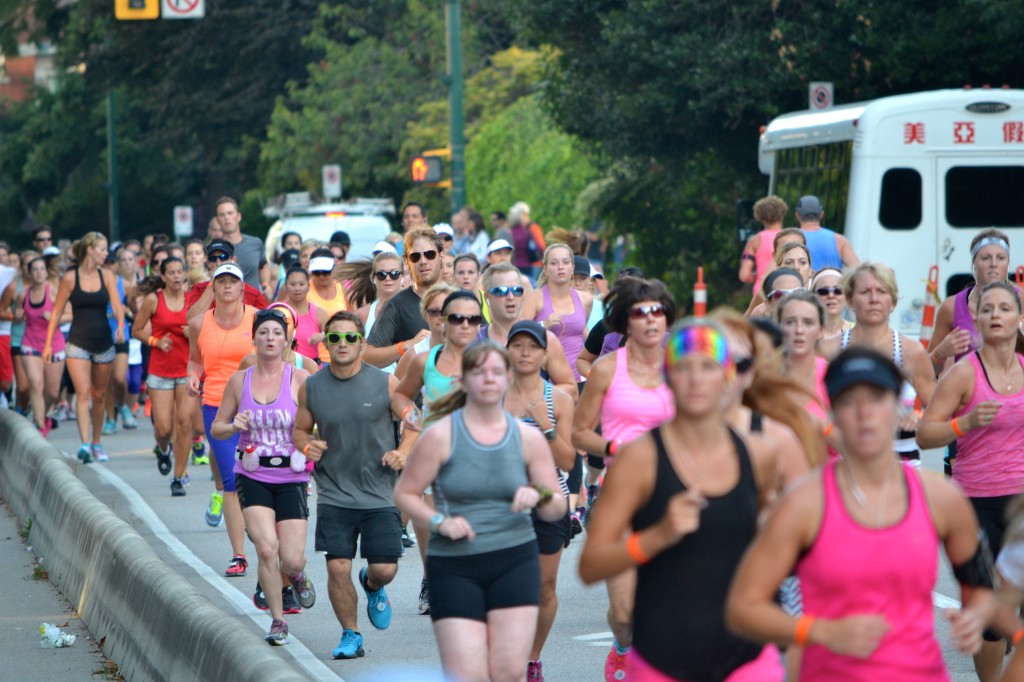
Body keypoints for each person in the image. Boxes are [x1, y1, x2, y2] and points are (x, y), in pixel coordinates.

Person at [726, 347, 995, 682]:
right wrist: (821, 632)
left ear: (896, 404)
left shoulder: (941, 498)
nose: (865, 412)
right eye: (850, 400)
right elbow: (742, 607)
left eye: (877, 397)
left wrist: (975, 617)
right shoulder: (803, 503)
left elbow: (981, 589)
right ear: (833, 411)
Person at [579, 319, 784, 682]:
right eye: (683, 367)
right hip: (664, 655)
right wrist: (658, 536)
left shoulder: (762, 453)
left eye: (708, 367)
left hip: (746, 654)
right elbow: (591, 565)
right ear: (667, 378)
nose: (696, 379)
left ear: (728, 376)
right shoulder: (639, 459)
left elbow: (797, 547)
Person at [394, 340, 565, 682]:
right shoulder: (440, 436)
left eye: (496, 372)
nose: (488, 379)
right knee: (467, 672)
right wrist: (440, 520)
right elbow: (406, 494)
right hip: (455, 565)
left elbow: (557, 502)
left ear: (507, 379)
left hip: (514, 560)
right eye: (479, 372)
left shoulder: (526, 438)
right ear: (463, 380)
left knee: (507, 671)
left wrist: (536, 494)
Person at [572, 276, 677, 680]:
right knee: (625, 612)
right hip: (622, 496)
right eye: (640, 312)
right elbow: (580, 433)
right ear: (624, 322)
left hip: (673, 493)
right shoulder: (605, 370)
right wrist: (616, 449)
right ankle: (621, 645)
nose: (651, 320)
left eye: (658, 312)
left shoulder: (681, 367)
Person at [918, 280, 1024, 681]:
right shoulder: (964, 374)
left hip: (1023, 502)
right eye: (988, 309)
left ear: (1019, 318)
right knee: (991, 616)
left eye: (1004, 308)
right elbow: (927, 433)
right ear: (977, 320)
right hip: (977, 504)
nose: (996, 315)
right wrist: (965, 424)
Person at [293, 311, 414, 659]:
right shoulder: (312, 386)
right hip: (334, 492)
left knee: (385, 569)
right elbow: (300, 429)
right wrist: (306, 445)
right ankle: (351, 634)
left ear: (362, 343)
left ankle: (372, 584)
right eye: (334, 338)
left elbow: (415, 421)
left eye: (349, 338)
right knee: (337, 566)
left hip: (380, 492)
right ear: (325, 344)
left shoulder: (385, 383)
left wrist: (404, 451)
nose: (342, 344)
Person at [211, 306, 314, 645]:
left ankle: (296, 574)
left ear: (287, 340)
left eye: (277, 333)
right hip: (252, 475)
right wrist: (232, 425)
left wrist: (315, 445)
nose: (270, 338)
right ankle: (278, 620)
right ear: (253, 338)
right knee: (267, 549)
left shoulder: (299, 379)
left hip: (293, 477)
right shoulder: (240, 380)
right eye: (264, 333)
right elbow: (217, 427)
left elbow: (320, 423)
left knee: (291, 557)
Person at [503, 320, 577, 681]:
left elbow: (567, 461)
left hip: (548, 503)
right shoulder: (492, 396)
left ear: (546, 354)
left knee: (544, 588)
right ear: (507, 352)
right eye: (517, 346)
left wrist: (544, 426)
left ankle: (531, 660)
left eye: (532, 346)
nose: (525, 353)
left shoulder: (559, 399)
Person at [823, 262, 935, 466]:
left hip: (902, 466)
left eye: (881, 291)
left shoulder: (912, 351)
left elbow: (937, 409)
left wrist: (918, 416)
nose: (873, 299)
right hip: (846, 464)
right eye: (865, 292)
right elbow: (814, 408)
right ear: (849, 300)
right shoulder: (828, 351)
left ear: (892, 302)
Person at [187, 263, 257, 573]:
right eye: (221, 281)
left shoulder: (258, 319)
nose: (227, 286)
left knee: (258, 478)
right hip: (216, 406)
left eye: (233, 281)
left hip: (256, 406)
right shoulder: (200, 322)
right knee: (231, 478)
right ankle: (239, 555)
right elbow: (194, 360)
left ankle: (264, 537)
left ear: (243, 288)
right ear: (212, 288)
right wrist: (192, 376)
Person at [43, 232, 125, 464]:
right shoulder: (70, 278)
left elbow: (117, 305)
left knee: (99, 396)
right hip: (78, 340)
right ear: (90, 249)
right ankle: (85, 444)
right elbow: (57, 311)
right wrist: (48, 343)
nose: (105, 253)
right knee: (83, 394)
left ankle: (97, 441)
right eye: (101, 249)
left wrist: (120, 324)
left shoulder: (107, 275)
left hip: (103, 340)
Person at [133, 257, 194, 494]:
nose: (177, 277)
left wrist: (195, 330)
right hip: (160, 371)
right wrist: (155, 341)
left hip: (186, 370)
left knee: (185, 423)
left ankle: (178, 477)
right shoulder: (153, 300)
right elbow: (136, 330)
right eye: (172, 273)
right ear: (163, 275)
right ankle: (164, 448)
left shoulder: (193, 300)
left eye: (180, 272)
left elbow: (209, 327)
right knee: (164, 428)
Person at [479, 263, 577, 400]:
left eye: (517, 290)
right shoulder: (474, 339)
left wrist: (531, 397)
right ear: (487, 298)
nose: (510, 297)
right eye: (501, 291)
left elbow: (571, 390)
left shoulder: (544, 339)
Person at [929, 229, 1022, 372]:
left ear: (1008, 264)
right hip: (969, 389)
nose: (993, 264)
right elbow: (927, 371)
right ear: (973, 264)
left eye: (1001, 258)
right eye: (985, 258)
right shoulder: (951, 307)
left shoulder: (1021, 300)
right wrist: (939, 353)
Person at [364, 229, 441, 368]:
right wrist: (406, 346)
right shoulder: (396, 305)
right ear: (406, 261)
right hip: (413, 387)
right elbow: (367, 356)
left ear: (441, 256)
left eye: (430, 254)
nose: (423, 261)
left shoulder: (460, 298)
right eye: (415, 257)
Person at [522, 244, 594, 386]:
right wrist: (543, 326)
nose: (560, 267)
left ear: (572, 267)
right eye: (554, 263)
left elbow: (583, 335)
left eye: (565, 262)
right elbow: (518, 334)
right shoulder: (534, 298)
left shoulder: (585, 299)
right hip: (547, 380)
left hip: (580, 379)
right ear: (546, 269)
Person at [16, 256, 66, 435]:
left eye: (41, 269)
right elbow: (17, 313)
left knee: (52, 392)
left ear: (46, 272)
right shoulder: (24, 294)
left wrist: (53, 317)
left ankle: (44, 415)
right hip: (30, 342)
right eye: (35, 270)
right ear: (29, 273)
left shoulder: (54, 292)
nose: (38, 273)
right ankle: (39, 424)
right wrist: (17, 315)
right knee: (36, 383)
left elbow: (70, 315)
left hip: (53, 344)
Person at [186, 240, 268, 321]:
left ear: (234, 260)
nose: (218, 263)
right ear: (208, 263)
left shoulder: (253, 294)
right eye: (213, 258)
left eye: (223, 257)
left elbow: (265, 322)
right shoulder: (198, 289)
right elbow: (192, 320)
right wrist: (212, 284)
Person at [214, 196, 271, 298]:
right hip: (225, 306)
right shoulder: (213, 250)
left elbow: (263, 266)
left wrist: (266, 283)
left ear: (238, 216)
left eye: (230, 213)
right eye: (222, 215)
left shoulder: (255, 243)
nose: (227, 218)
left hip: (254, 305)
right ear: (218, 220)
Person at [739, 195, 788, 294]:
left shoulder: (754, 241)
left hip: (762, 293)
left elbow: (744, 275)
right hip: (786, 291)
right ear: (782, 214)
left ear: (760, 217)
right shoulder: (792, 238)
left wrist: (759, 275)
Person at [277, 267, 328, 364]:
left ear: (308, 286)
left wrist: (323, 336)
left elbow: (333, 341)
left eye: (301, 284)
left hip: (312, 369)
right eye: (292, 284)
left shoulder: (319, 313)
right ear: (285, 286)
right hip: (284, 368)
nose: (297, 288)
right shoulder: (278, 311)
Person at [794, 195, 859, 270]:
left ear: (797, 216)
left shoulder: (790, 239)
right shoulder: (840, 240)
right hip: (833, 281)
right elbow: (857, 269)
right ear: (822, 214)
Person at [508, 202, 546, 281]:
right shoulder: (530, 230)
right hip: (532, 265)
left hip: (514, 266)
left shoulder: (510, 232)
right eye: (526, 215)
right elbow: (541, 247)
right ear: (522, 216)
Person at [811, 267, 851, 341]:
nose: (831, 295)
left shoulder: (860, 331)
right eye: (823, 291)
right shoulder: (805, 332)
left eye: (838, 290)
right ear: (813, 297)